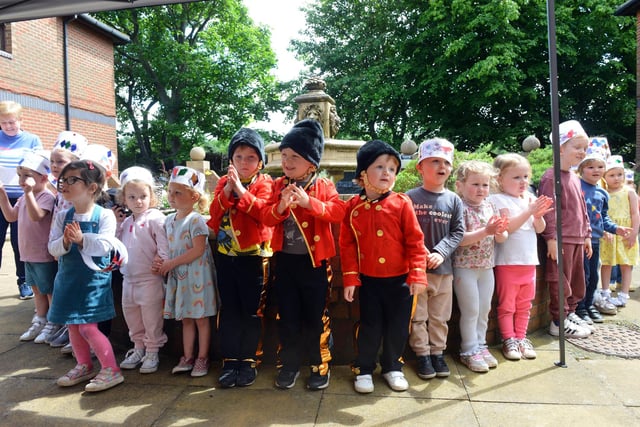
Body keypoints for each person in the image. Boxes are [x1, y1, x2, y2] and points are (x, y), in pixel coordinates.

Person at [260, 119, 346, 390]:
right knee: (287, 315)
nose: (286, 161)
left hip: (316, 264)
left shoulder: (324, 187)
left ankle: (320, 365)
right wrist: (282, 206)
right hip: (285, 263)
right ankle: (288, 364)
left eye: (294, 156)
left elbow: (338, 212)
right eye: (284, 155)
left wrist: (310, 203)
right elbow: (266, 217)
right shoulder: (276, 186)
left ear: (311, 163)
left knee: (316, 317)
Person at [339, 140, 427, 393]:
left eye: (392, 168)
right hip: (369, 281)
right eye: (379, 167)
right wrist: (350, 279)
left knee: (398, 327)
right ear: (363, 174)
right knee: (370, 326)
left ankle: (392, 367)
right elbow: (347, 246)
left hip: (399, 281)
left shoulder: (402, 203)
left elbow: (415, 240)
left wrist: (417, 273)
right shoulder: (353, 208)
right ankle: (364, 368)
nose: (387, 172)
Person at [47, 159, 124, 392]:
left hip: (93, 282)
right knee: (73, 325)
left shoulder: (104, 216)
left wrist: (82, 240)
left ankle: (111, 369)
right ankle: (84, 365)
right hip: (67, 279)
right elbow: (52, 248)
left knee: (88, 327)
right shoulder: (62, 216)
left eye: (73, 180)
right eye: (63, 180)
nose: (65, 184)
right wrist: (65, 241)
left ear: (92, 187)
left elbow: (105, 247)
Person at [207, 128, 273, 388]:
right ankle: (230, 359)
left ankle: (249, 360)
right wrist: (227, 191)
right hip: (226, 257)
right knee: (230, 309)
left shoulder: (265, 183)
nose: (244, 163)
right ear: (231, 160)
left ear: (259, 162)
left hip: (255, 258)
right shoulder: (223, 183)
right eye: (238, 157)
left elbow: (265, 215)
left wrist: (241, 192)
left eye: (250, 158)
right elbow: (212, 217)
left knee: (252, 311)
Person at [406, 138, 464, 379]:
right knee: (418, 317)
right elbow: (405, 232)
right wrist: (422, 254)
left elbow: (457, 232)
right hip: (416, 272)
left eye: (446, 163)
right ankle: (422, 355)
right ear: (420, 167)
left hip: (444, 272)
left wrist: (440, 252)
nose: (442, 167)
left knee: (440, 317)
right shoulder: (408, 198)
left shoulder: (453, 200)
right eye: (435, 161)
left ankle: (438, 352)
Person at [489, 154, 552, 361]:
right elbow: (508, 227)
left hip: (529, 261)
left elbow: (540, 228)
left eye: (525, 176)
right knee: (507, 305)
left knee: (525, 304)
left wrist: (538, 215)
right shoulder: (497, 199)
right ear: (499, 179)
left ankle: (521, 338)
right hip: (508, 262)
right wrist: (529, 211)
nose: (523, 181)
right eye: (516, 177)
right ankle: (509, 340)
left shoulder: (529, 199)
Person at [155, 166, 217, 377]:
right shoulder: (169, 220)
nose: (171, 197)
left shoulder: (195, 220)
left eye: (178, 193)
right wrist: (161, 259)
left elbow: (198, 250)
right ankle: (188, 356)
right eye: (170, 192)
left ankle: (202, 357)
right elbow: (166, 247)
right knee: (187, 319)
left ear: (194, 196)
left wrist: (171, 263)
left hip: (197, 277)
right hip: (181, 277)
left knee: (201, 318)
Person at [452, 160, 508, 372]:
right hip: (464, 267)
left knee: (484, 309)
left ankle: (480, 345)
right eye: (475, 184)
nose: (481, 189)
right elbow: (458, 239)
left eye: (485, 185)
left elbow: (501, 238)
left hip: (486, 267)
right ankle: (468, 349)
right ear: (460, 186)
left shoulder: (490, 205)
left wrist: (500, 231)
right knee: (471, 310)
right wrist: (487, 231)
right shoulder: (459, 206)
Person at [539, 120, 593, 338]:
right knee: (560, 281)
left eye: (585, 149)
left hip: (578, 239)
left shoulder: (575, 178)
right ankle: (558, 321)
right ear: (560, 148)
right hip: (562, 240)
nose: (582, 153)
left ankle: (570, 312)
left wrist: (587, 234)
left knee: (577, 281)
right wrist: (551, 237)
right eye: (577, 147)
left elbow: (582, 208)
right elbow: (547, 209)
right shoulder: (551, 177)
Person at [0, 150, 58, 342]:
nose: (22, 180)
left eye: (27, 176)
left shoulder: (46, 197)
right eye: (20, 175)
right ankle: (40, 319)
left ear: (43, 178)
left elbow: (37, 216)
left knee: (48, 289)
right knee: (36, 289)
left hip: (42, 255)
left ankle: (53, 322)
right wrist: (2, 194)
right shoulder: (25, 197)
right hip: (27, 254)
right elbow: (10, 216)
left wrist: (28, 194)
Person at [116, 166, 169, 374]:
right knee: (132, 316)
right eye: (132, 197)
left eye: (143, 196)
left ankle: (152, 351)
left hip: (149, 279)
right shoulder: (128, 221)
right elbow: (118, 246)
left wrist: (161, 259)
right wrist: (118, 225)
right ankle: (138, 347)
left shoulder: (155, 218)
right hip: (128, 279)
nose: (138, 201)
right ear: (124, 199)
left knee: (151, 318)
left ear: (151, 197)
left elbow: (164, 244)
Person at [46, 130, 89, 350]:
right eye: (52, 161)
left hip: (79, 247)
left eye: (60, 161)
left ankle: (81, 334)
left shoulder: (78, 190)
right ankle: (68, 327)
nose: (54, 165)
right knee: (65, 287)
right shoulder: (57, 190)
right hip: (63, 246)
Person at [577, 145, 629, 319]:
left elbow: (603, 218)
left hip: (595, 241)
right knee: (583, 276)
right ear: (581, 169)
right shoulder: (577, 186)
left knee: (593, 277)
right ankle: (580, 308)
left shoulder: (602, 193)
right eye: (590, 167)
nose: (596, 170)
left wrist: (616, 228)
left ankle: (590, 304)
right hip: (580, 240)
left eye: (600, 167)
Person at [0, 101, 43, 299]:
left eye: (12, 122)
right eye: (4, 122)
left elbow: (39, 168)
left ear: (20, 120)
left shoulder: (32, 140)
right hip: (0, 196)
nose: (8, 126)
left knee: (20, 243)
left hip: (23, 197)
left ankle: (24, 281)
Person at [599, 155, 639, 308]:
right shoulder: (602, 192)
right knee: (607, 262)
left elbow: (635, 213)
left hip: (626, 233)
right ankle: (605, 291)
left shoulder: (629, 192)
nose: (616, 178)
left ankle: (623, 294)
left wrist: (634, 233)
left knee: (626, 263)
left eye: (619, 174)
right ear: (605, 176)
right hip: (609, 233)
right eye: (611, 175)